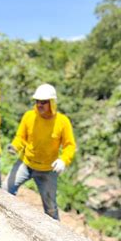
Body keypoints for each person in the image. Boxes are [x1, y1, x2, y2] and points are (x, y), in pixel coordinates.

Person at [6, 83, 76, 220]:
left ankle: (56, 236)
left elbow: (70, 145)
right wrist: (15, 146)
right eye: (37, 102)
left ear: (52, 103)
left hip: (47, 170)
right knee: (6, 189)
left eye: (44, 102)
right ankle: (7, 220)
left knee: (50, 208)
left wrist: (64, 160)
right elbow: (21, 137)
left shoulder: (62, 122)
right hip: (26, 163)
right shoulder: (29, 116)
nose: (39, 105)